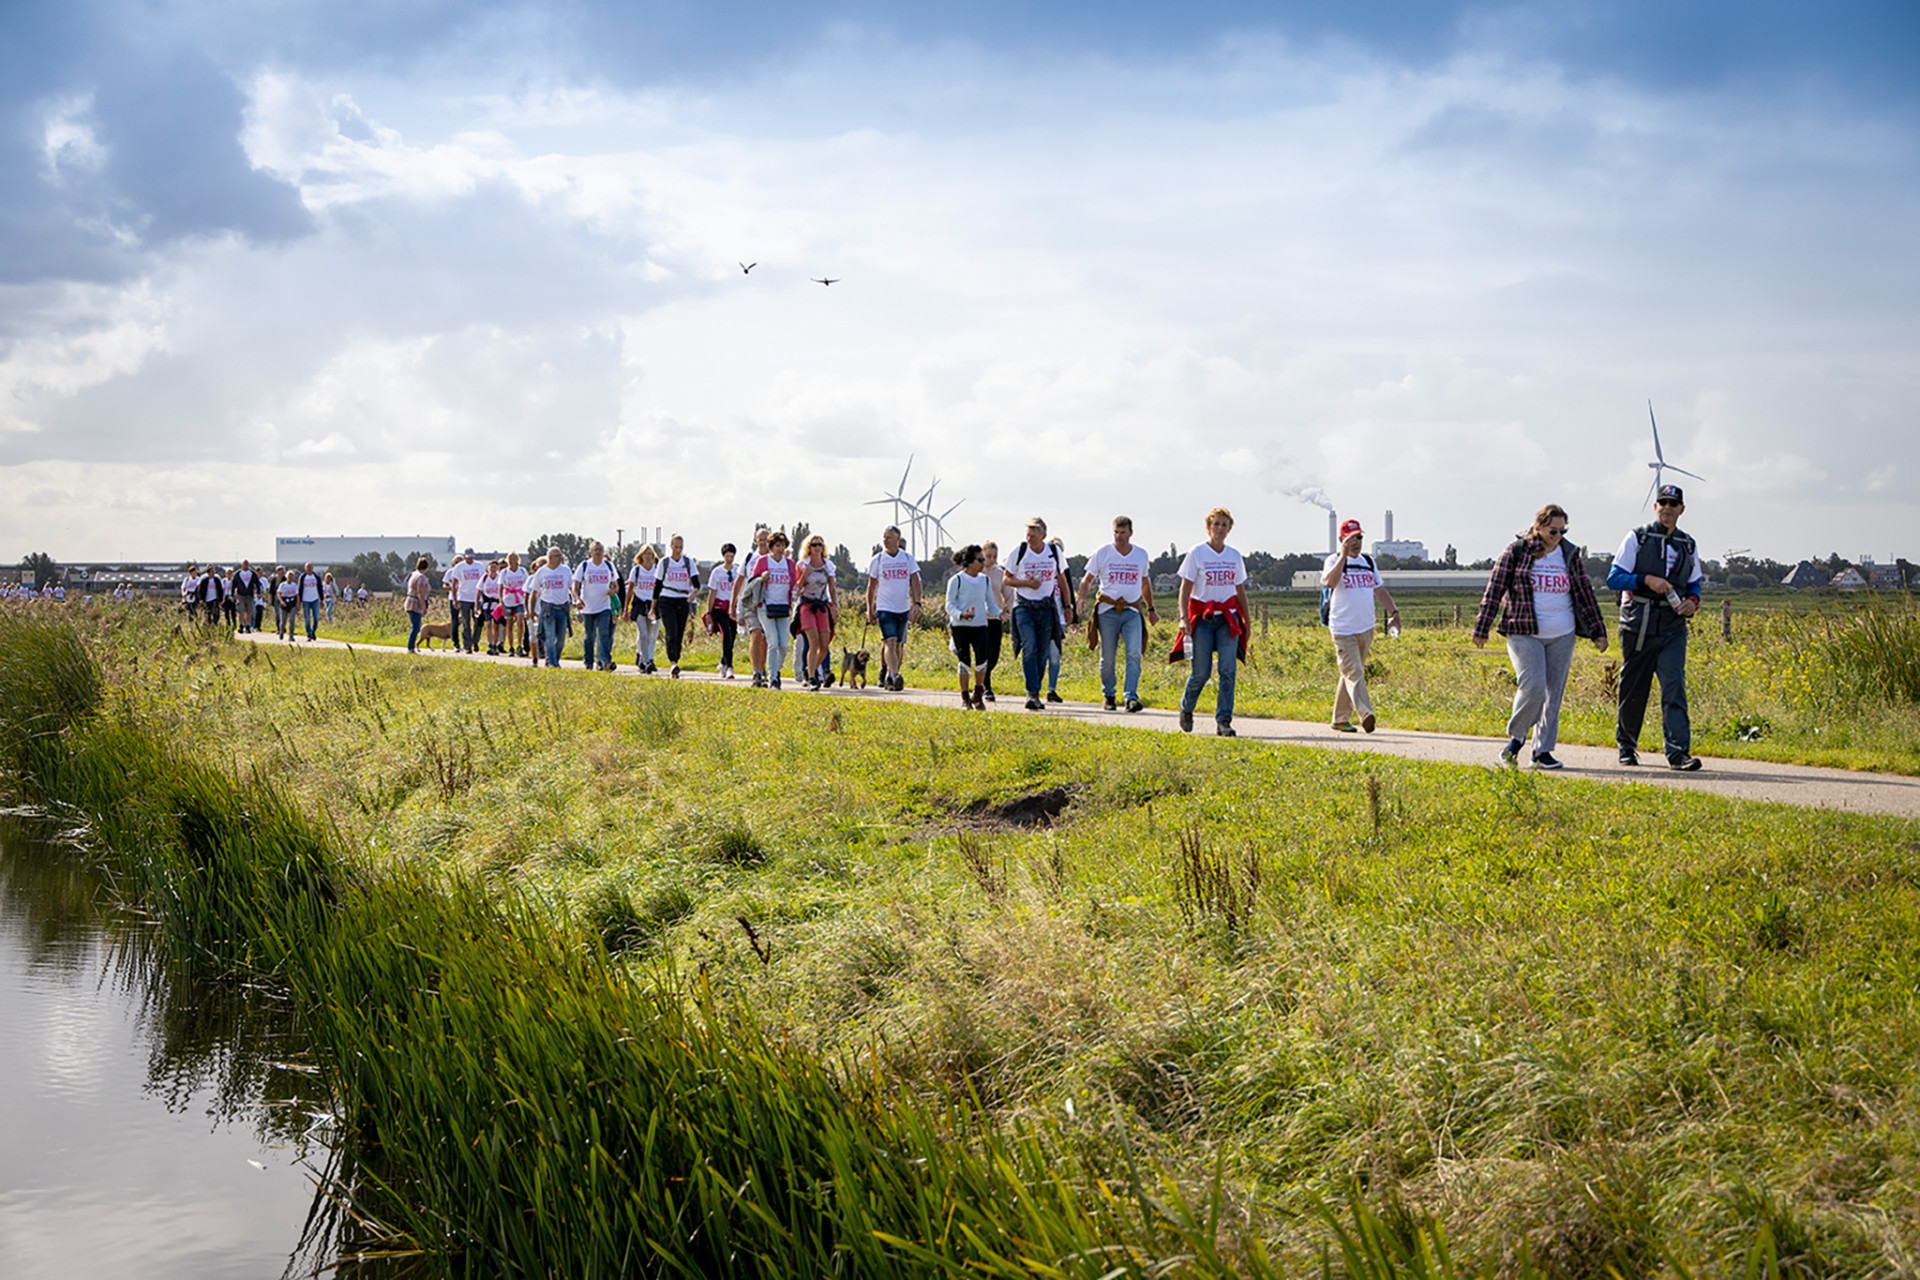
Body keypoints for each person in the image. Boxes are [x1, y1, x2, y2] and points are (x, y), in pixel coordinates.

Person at [1472, 503, 1608, 769]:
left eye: (1562, 530)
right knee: (1533, 687)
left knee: (1553, 693)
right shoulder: (1518, 551)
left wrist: (1597, 632)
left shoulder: (1569, 554)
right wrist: (1482, 626)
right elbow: (1495, 588)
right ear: (1539, 527)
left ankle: (1542, 751)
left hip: (1563, 632)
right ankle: (1516, 740)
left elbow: (1584, 593)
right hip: (1524, 631)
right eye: (1553, 531)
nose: (1558, 536)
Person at [1609, 484, 1703, 770]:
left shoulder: (1688, 544)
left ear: (1682, 509)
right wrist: (1646, 580)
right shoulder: (1637, 537)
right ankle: (1627, 747)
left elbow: (1694, 583)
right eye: (1662, 502)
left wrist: (1692, 602)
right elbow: (1615, 578)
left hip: (1673, 625)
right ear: (1655, 507)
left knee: (1674, 684)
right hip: (1639, 622)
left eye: (1673, 504)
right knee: (1634, 686)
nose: (1667, 508)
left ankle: (1678, 753)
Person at [1177, 508, 1253, 736]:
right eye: (1216, 524)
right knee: (1201, 671)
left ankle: (1224, 720)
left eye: (1224, 525)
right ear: (1208, 527)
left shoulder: (1234, 556)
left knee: (1228, 670)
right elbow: (1185, 588)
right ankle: (1186, 706)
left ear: (1229, 529)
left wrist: (1247, 620)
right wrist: (1183, 617)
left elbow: (1240, 590)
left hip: (1227, 618)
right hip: (1203, 618)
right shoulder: (1197, 553)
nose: (1219, 529)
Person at [1321, 518, 1399, 733]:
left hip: (1366, 627)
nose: (1356, 542)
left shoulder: (1368, 562)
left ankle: (1340, 719)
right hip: (1343, 628)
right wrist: (1343, 557)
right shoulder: (1333, 561)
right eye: (1351, 538)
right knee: (1354, 672)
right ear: (1341, 540)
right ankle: (1366, 713)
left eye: (1359, 538)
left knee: (1350, 673)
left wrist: (1395, 612)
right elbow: (1330, 582)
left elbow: (1380, 590)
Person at [1079, 516, 1158, 712]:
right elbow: (1087, 579)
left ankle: (1131, 697)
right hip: (1108, 610)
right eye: (1116, 532)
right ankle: (1109, 694)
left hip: (1131, 610)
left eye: (1123, 533)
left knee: (1133, 653)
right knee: (1108, 656)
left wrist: (1151, 608)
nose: (1119, 536)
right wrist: (1081, 599)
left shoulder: (1140, 555)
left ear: (1130, 533)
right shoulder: (1103, 553)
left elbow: (1145, 583)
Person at [1004, 518, 1068, 711]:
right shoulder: (1019, 552)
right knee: (1029, 647)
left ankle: (1036, 692)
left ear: (1043, 536)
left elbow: (1062, 579)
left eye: (1033, 536)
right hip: (1024, 606)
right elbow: (1007, 579)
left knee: (1042, 652)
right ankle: (1031, 693)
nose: (1029, 539)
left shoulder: (1054, 553)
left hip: (1047, 607)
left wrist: (1068, 605)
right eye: (1027, 536)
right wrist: (1026, 584)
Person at [864, 526, 922, 692]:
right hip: (885, 607)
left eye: (889, 537)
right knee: (889, 641)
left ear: (898, 539)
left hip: (903, 607)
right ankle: (895, 674)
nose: (885, 540)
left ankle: (890, 675)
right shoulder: (878, 560)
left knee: (899, 644)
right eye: (884, 537)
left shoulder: (907, 558)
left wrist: (917, 603)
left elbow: (915, 581)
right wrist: (870, 608)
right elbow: (871, 585)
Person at [944, 544, 994, 710]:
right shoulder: (956, 580)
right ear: (970, 562)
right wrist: (961, 614)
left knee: (982, 661)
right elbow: (949, 605)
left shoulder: (985, 580)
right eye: (980, 559)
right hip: (960, 626)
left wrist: (1001, 613)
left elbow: (990, 603)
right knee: (964, 661)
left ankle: (978, 693)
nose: (983, 563)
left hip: (980, 624)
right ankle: (965, 697)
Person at [747, 531, 796, 689]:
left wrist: (797, 592)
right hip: (766, 607)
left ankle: (776, 669)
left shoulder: (789, 564)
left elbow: (794, 584)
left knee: (784, 645)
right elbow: (751, 583)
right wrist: (762, 579)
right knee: (773, 643)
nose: (780, 549)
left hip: (783, 607)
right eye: (777, 546)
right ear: (771, 547)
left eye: (782, 546)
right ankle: (773, 678)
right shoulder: (763, 561)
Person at [653, 535, 701, 678]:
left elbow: (697, 583)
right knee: (671, 631)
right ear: (671, 546)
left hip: (682, 600)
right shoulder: (664, 563)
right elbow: (657, 585)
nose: (678, 550)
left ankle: (676, 659)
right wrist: (653, 606)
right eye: (676, 547)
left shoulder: (688, 563)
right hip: (667, 599)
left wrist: (694, 593)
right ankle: (673, 662)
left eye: (681, 547)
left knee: (680, 633)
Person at [796, 535, 839, 689]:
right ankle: (813, 678)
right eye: (814, 545)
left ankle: (810, 669)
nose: (817, 547)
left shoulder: (828, 566)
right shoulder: (802, 565)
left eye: (819, 544)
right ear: (809, 547)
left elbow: (832, 588)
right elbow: (796, 589)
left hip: (822, 605)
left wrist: (835, 606)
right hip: (807, 605)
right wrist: (804, 576)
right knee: (813, 642)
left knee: (824, 645)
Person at [573, 541, 620, 671]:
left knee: (604, 633)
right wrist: (577, 599)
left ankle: (606, 662)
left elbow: (616, 585)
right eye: (596, 549)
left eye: (600, 549)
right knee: (589, 636)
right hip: (588, 607)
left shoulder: (608, 566)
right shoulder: (584, 566)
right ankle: (588, 662)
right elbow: (575, 586)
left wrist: (613, 591)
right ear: (591, 552)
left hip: (604, 606)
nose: (598, 552)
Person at [529, 547, 573, 668]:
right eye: (557, 556)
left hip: (562, 607)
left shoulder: (566, 570)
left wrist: (577, 599)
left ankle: (555, 659)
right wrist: (532, 611)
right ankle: (552, 662)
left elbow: (571, 587)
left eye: (560, 556)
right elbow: (534, 592)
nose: (560, 559)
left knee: (560, 639)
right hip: (548, 607)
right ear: (550, 558)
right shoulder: (542, 572)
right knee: (550, 636)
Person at [704, 543, 740, 679]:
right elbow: (712, 592)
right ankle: (730, 667)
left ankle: (723, 663)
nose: (729, 559)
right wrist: (709, 611)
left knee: (732, 636)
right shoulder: (717, 572)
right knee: (726, 634)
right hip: (720, 607)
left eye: (731, 556)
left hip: (733, 608)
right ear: (723, 556)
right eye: (727, 556)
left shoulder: (737, 572)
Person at [980, 541, 1010, 702]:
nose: (992, 560)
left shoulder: (999, 573)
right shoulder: (977, 573)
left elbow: (1008, 594)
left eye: (994, 556)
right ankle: (986, 687)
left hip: (996, 618)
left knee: (995, 654)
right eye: (988, 556)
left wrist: (1013, 610)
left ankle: (982, 676)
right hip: (980, 618)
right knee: (984, 653)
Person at [627, 545, 660, 673]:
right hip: (640, 604)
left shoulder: (656, 571)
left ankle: (644, 659)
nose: (647, 557)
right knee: (643, 633)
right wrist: (626, 608)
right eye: (645, 554)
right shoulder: (636, 571)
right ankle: (647, 661)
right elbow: (630, 589)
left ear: (653, 557)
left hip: (653, 605)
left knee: (651, 635)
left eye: (650, 554)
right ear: (641, 556)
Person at [452, 549, 486, 653]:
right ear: (465, 556)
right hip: (464, 598)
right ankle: (467, 645)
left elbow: (484, 580)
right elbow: (454, 583)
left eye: (471, 557)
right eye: (468, 557)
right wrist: (455, 599)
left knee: (478, 622)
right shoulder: (459, 567)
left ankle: (475, 641)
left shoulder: (479, 566)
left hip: (477, 598)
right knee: (466, 623)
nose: (470, 559)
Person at [499, 552, 529, 657]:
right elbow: (501, 586)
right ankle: (511, 646)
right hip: (508, 600)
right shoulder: (504, 572)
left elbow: (527, 584)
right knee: (509, 623)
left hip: (520, 599)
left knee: (520, 622)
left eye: (514, 558)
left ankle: (519, 645)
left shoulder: (522, 571)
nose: (512, 561)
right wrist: (501, 600)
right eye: (510, 559)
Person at [405, 556, 433, 652]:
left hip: (410, 601)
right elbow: (420, 592)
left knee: (416, 625)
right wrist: (423, 606)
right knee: (416, 627)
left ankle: (411, 646)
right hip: (415, 603)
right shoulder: (421, 577)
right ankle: (411, 647)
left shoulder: (413, 574)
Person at [230, 561, 261, 634]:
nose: (245, 565)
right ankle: (241, 625)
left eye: (246, 564)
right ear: (241, 565)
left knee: (249, 611)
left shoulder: (252, 574)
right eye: (244, 564)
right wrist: (232, 595)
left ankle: (248, 626)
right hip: (240, 594)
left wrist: (259, 593)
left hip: (249, 594)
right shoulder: (237, 574)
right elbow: (233, 585)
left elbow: (257, 583)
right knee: (241, 611)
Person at [275, 570, 299, 640]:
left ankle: (291, 636)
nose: (290, 578)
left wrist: (298, 604)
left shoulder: (294, 585)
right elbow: (278, 593)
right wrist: (281, 601)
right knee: (283, 621)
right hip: (284, 602)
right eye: (289, 577)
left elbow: (297, 595)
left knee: (292, 620)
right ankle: (281, 632)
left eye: (291, 577)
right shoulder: (282, 585)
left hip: (292, 603)